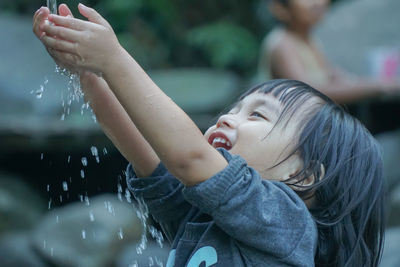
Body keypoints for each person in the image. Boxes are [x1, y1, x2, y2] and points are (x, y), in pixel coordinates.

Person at [33, 4, 385, 266]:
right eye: (234, 109)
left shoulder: (287, 222)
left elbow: (189, 158)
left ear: (303, 174)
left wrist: (113, 58)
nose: (228, 119)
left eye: (258, 115)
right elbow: (143, 149)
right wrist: (87, 72)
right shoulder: (202, 215)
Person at [258, 0, 400, 104]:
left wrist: (381, 83)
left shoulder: (309, 40)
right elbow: (307, 93)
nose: (318, 3)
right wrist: (379, 86)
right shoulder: (283, 44)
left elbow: (335, 77)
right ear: (280, 8)